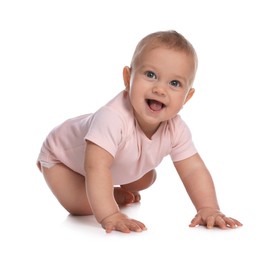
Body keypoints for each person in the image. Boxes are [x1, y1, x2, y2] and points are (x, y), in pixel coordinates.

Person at [37, 30, 242, 233]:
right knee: (82, 205)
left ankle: (108, 191)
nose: (160, 89)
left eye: (174, 83)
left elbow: (193, 170)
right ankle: (109, 195)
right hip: (62, 161)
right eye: (150, 75)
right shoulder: (111, 118)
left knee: (147, 178)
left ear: (187, 97)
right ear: (128, 78)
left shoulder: (176, 128)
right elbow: (95, 167)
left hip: (110, 163)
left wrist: (209, 208)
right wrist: (111, 214)